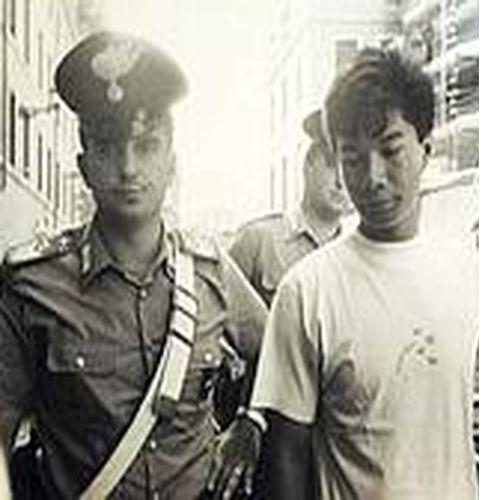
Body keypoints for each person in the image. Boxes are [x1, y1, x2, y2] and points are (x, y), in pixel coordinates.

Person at [0, 31, 267, 500]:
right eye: (107, 147)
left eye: (146, 146)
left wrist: (252, 422)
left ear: (171, 164)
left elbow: (279, 350)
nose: (127, 167)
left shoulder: (210, 272)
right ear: (84, 166)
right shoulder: (34, 286)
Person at [248, 48, 478, 499]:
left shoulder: (470, 273)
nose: (372, 177)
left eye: (390, 150)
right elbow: (287, 454)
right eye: (352, 158)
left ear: (425, 150)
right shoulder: (307, 290)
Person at [229, 109, 353, 308]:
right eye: (331, 165)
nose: (341, 182)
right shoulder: (258, 241)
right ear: (308, 165)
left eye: (352, 169)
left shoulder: (358, 256)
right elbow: (218, 318)